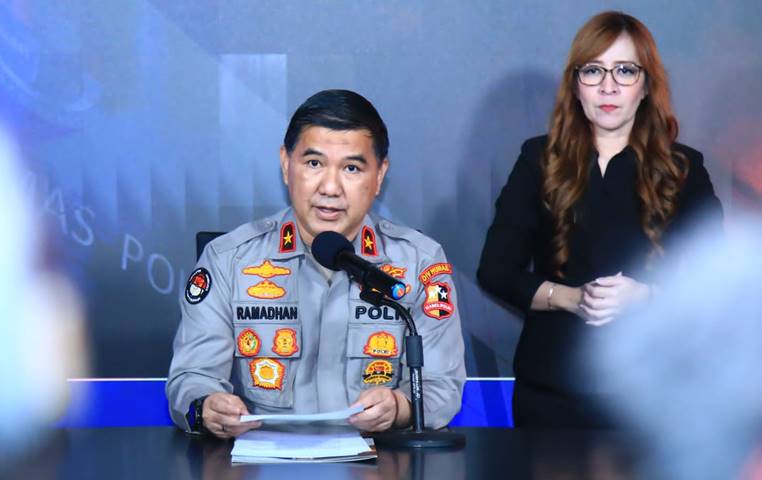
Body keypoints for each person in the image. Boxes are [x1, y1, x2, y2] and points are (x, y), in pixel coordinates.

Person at [167, 89, 466, 438]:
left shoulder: (419, 262)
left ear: (379, 175)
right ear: (285, 164)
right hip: (263, 458)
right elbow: (191, 378)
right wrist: (206, 406)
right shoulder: (228, 260)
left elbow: (441, 386)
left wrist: (399, 407)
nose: (330, 187)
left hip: (378, 458)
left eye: (352, 168)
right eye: (314, 164)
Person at [477, 11, 722, 428]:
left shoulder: (685, 169)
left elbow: (716, 282)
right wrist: (572, 298)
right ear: (576, 85)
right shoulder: (538, 159)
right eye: (593, 71)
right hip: (551, 393)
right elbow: (496, 270)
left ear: (646, 85)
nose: (609, 86)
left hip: (655, 397)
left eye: (625, 70)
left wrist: (646, 298)